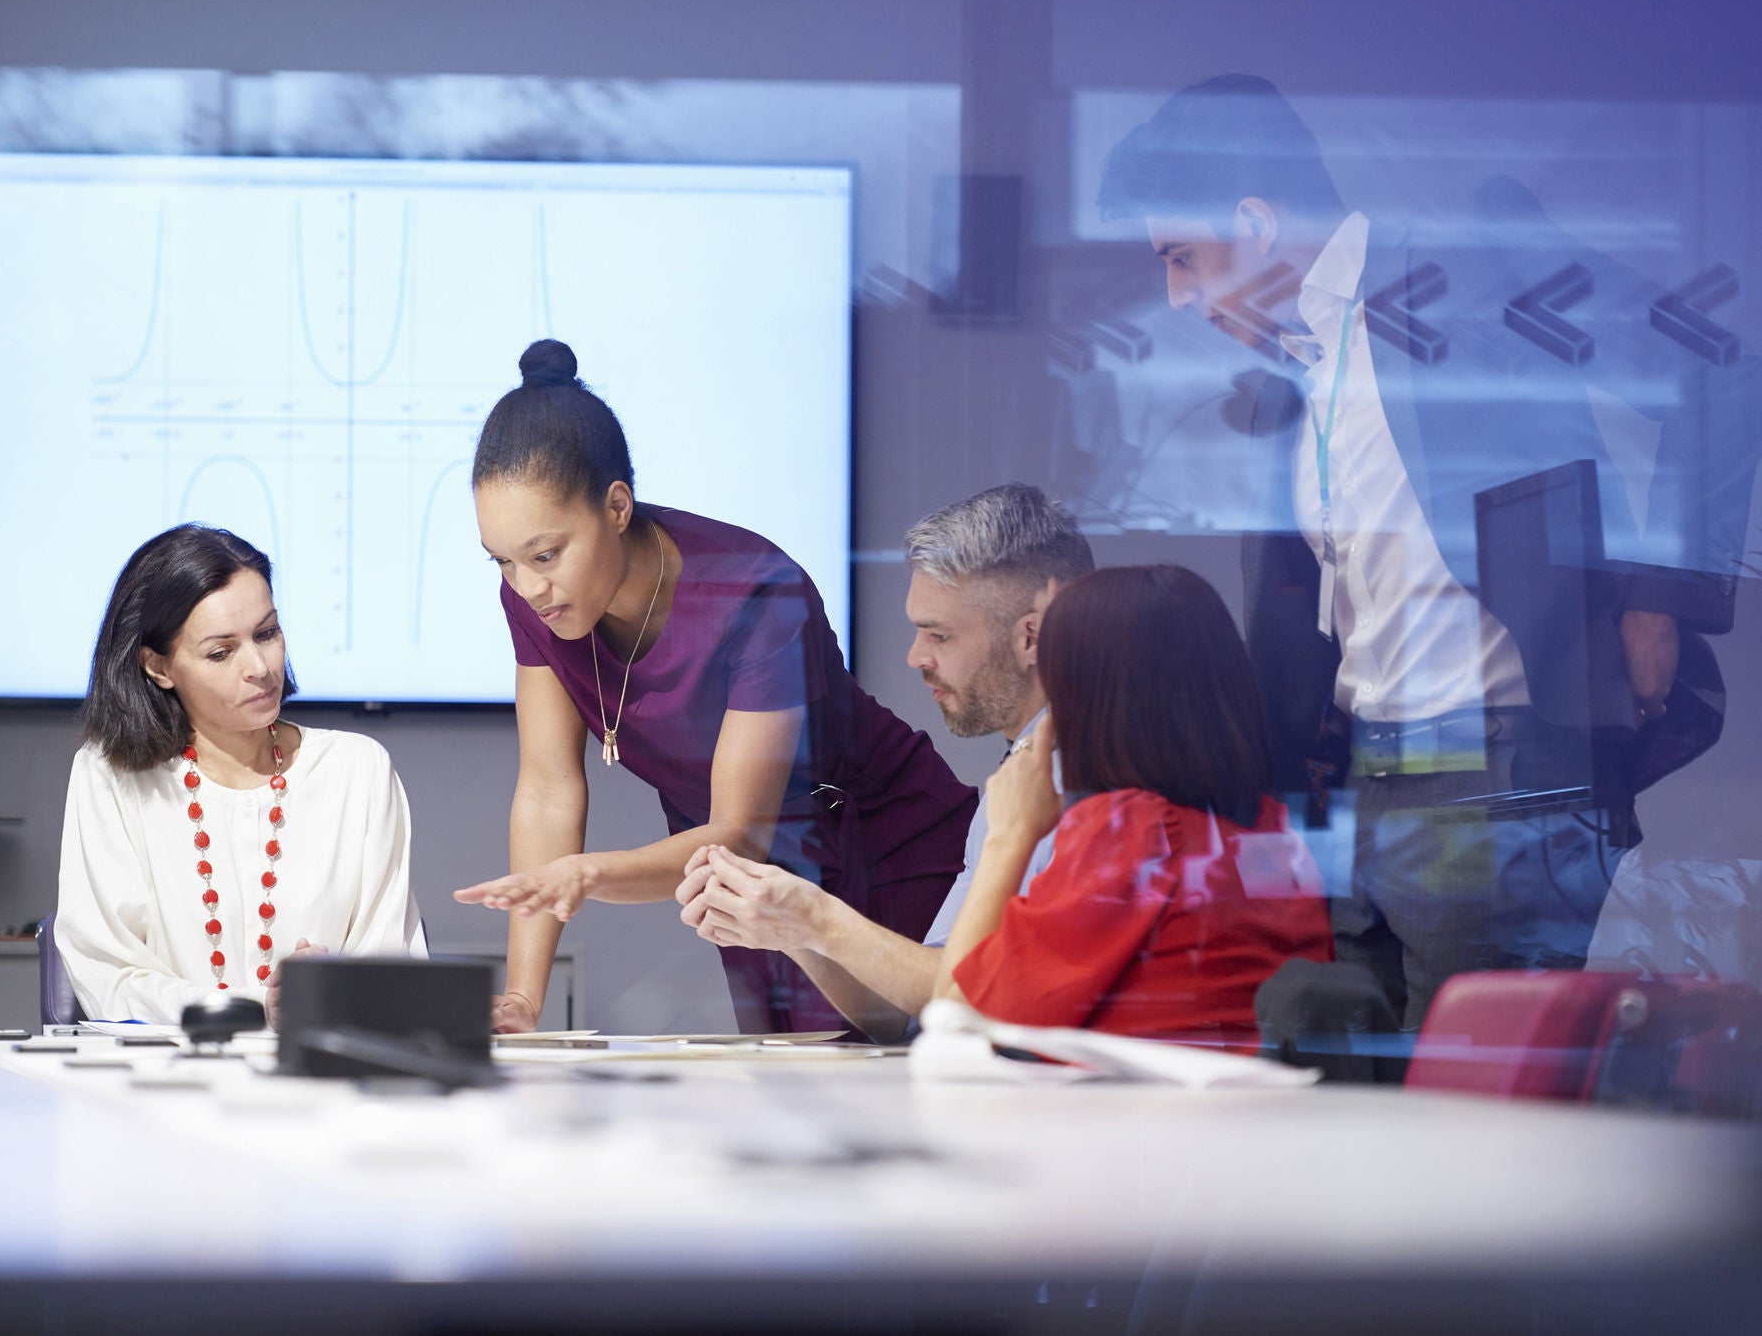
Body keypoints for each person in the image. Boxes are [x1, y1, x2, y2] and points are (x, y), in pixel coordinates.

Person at [1095, 75, 1712, 1029]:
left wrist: (1657, 594)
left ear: (1255, 220)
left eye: (1183, 257)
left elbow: (1711, 372)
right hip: (1364, 788)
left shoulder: (1468, 271)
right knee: (1344, 1090)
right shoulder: (1288, 380)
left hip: (1493, 776)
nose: (1178, 297)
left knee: (1458, 1114)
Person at [453, 339, 977, 1034]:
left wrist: (585, 874)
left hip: (881, 846)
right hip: (744, 885)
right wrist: (523, 996)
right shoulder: (533, 596)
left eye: (545, 555)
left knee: (920, 1079)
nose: (526, 585)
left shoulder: (753, 591)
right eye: (503, 561)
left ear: (616, 506)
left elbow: (739, 831)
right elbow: (549, 789)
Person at [677, 484, 1094, 1041]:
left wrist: (818, 918)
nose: (916, 656)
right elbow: (917, 1008)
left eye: (939, 634)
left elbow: (968, 1002)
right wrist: (793, 930)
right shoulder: (1016, 780)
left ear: (1030, 637)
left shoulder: (1085, 784)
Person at [931, 565, 1331, 1042]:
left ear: (1087, 704)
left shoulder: (1132, 833)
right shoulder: (1273, 831)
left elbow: (955, 1020)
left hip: (1137, 1112)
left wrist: (1009, 836)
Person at [55, 525, 426, 1025]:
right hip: (162, 1086)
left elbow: (393, 969)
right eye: (220, 652)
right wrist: (256, 1008)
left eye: (267, 633)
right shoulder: (110, 776)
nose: (259, 666)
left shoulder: (357, 772)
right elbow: (111, 979)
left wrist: (335, 987)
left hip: (323, 1083)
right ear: (158, 667)